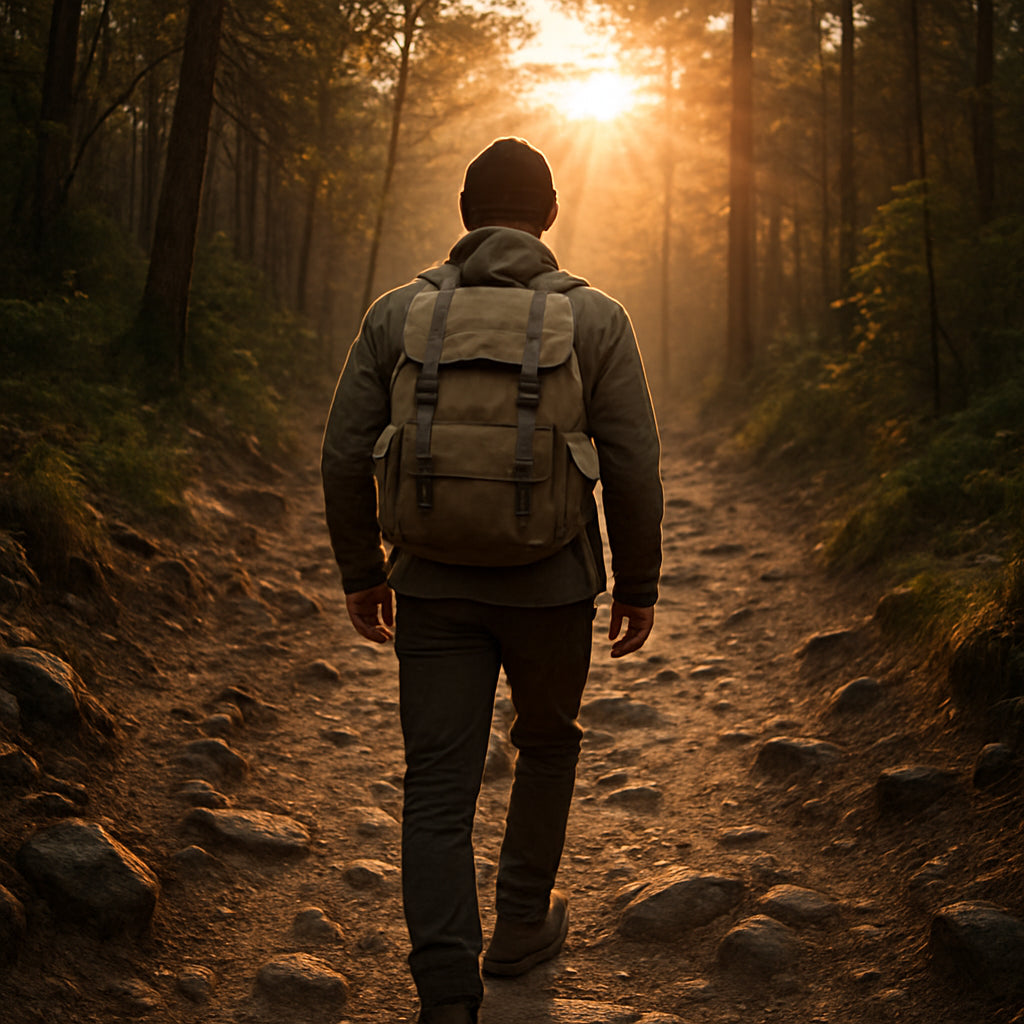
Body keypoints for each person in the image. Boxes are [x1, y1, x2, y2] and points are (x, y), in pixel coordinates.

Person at [321, 137, 662, 1024]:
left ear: (465, 216)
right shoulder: (597, 319)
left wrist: (364, 571)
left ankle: (445, 993)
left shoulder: (398, 313)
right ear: (550, 216)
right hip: (554, 586)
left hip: (430, 583)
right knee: (547, 745)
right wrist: (639, 583)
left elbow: (341, 454)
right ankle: (517, 929)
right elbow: (632, 466)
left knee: (437, 783)